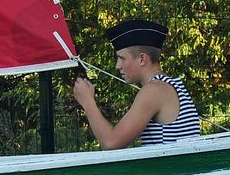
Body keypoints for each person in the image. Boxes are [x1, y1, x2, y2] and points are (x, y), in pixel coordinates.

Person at [72, 18, 201, 149]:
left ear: (142, 59)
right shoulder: (171, 85)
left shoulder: (154, 91)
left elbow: (111, 142)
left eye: (122, 58)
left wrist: (87, 102)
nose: (118, 66)